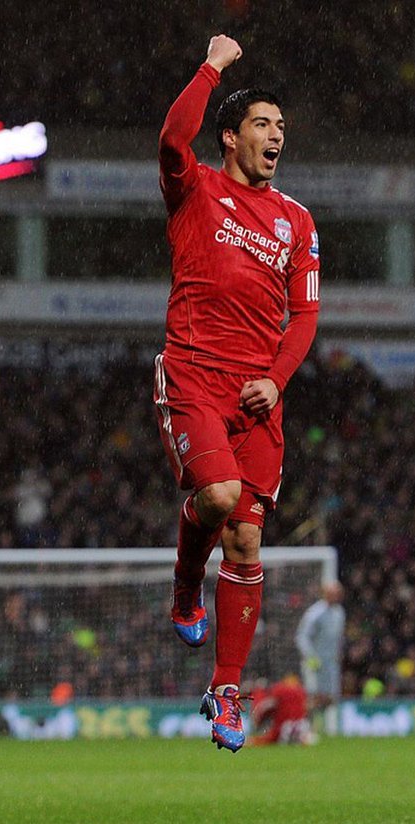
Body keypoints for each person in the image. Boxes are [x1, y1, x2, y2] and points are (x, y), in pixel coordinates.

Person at [154, 34, 321, 752]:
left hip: (258, 393)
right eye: (261, 123)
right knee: (219, 501)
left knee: (249, 541)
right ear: (229, 136)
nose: (275, 134)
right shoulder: (194, 185)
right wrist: (213, 66)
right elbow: (169, 135)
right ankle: (186, 587)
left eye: (281, 126)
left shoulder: (297, 220)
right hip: (194, 370)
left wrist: (275, 380)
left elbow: (306, 313)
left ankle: (225, 692)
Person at [295, 581, 346, 732]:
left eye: (338, 593)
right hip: (314, 662)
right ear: (325, 594)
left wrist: (338, 653)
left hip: (331, 662)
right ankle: (303, 726)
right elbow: (302, 637)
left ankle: (310, 724)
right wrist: (310, 657)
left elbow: (338, 637)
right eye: (333, 593)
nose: (336, 596)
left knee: (330, 699)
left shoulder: (340, 613)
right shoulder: (315, 613)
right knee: (314, 697)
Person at [250, 674, 313, 746]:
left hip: (284, 726)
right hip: (301, 724)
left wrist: (258, 718)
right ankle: (299, 737)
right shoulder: (300, 690)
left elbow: (265, 707)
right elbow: (307, 706)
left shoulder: (279, 689)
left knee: (265, 739)